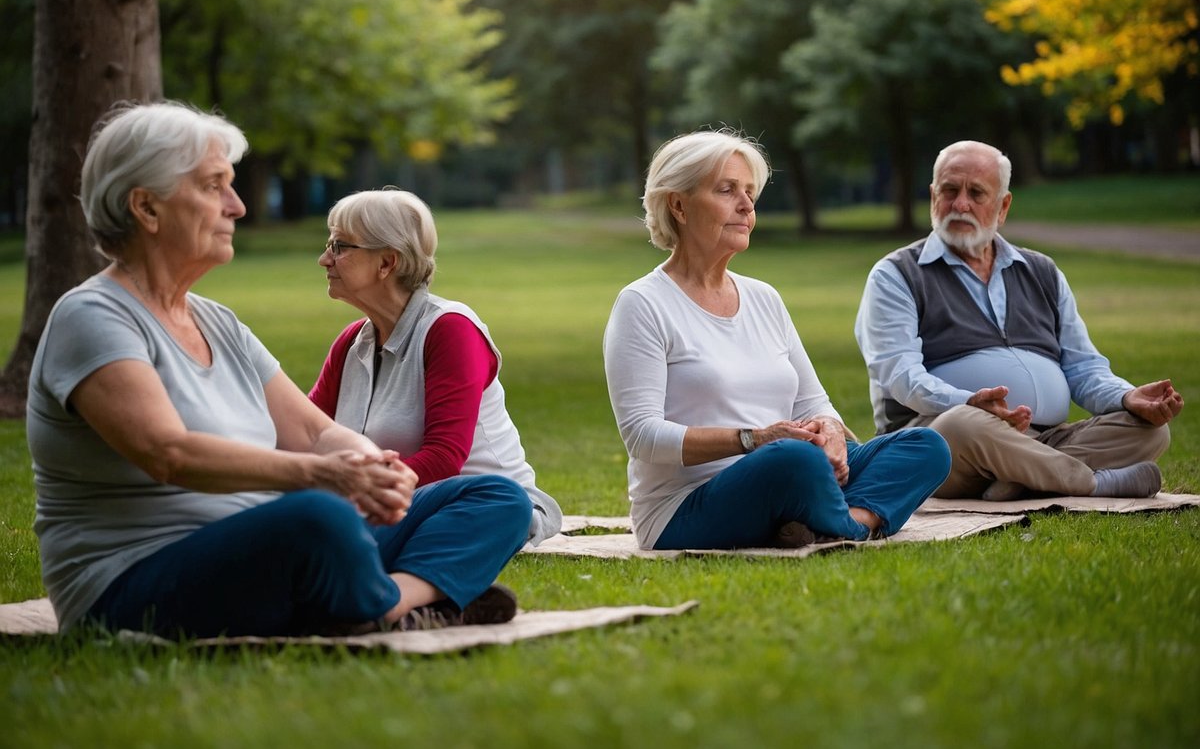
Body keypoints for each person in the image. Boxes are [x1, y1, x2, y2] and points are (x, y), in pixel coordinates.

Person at [26, 101, 532, 638]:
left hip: (260, 547)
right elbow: (167, 453)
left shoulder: (218, 323)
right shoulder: (92, 316)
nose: (238, 206)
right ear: (147, 209)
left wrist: (372, 471)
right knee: (320, 518)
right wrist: (326, 477)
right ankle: (393, 601)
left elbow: (314, 431)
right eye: (214, 186)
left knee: (497, 497)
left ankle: (385, 603)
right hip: (134, 580)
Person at [602, 130, 951, 550]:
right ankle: (843, 519)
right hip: (687, 505)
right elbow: (642, 436)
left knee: (927, 445)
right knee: (794, 459)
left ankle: (845, 522)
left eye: (750, 192)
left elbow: (813, 403)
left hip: (789, 465)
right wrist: (754, 439)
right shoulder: (643, 304)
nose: (747, 205)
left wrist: (833, 435)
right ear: (678, 204)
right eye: (727, 190)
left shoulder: (763, 298)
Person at [854, 139, 1183, 501]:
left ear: (1003, 206)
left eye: (976, 193)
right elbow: (900, 377)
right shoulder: (896, 274)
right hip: (938, 437)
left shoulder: (1042, 271)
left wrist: (1126, 397)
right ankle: (1090, 483)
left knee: (1151, 430)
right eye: (949, 190)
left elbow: (1083, 368)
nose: (960, 204)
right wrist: (967, 401)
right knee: (964, 424)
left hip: (1041, 438)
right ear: (933, 195)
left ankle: (1021, 481)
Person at [309, 188, 562, 546]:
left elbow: (444, 459)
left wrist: (352, 491)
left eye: (339, 246)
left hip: (479, 506)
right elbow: (305, 432)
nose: (324, 259)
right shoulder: (352, 342)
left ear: (387, 262)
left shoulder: (451, 329)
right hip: (387, 504)